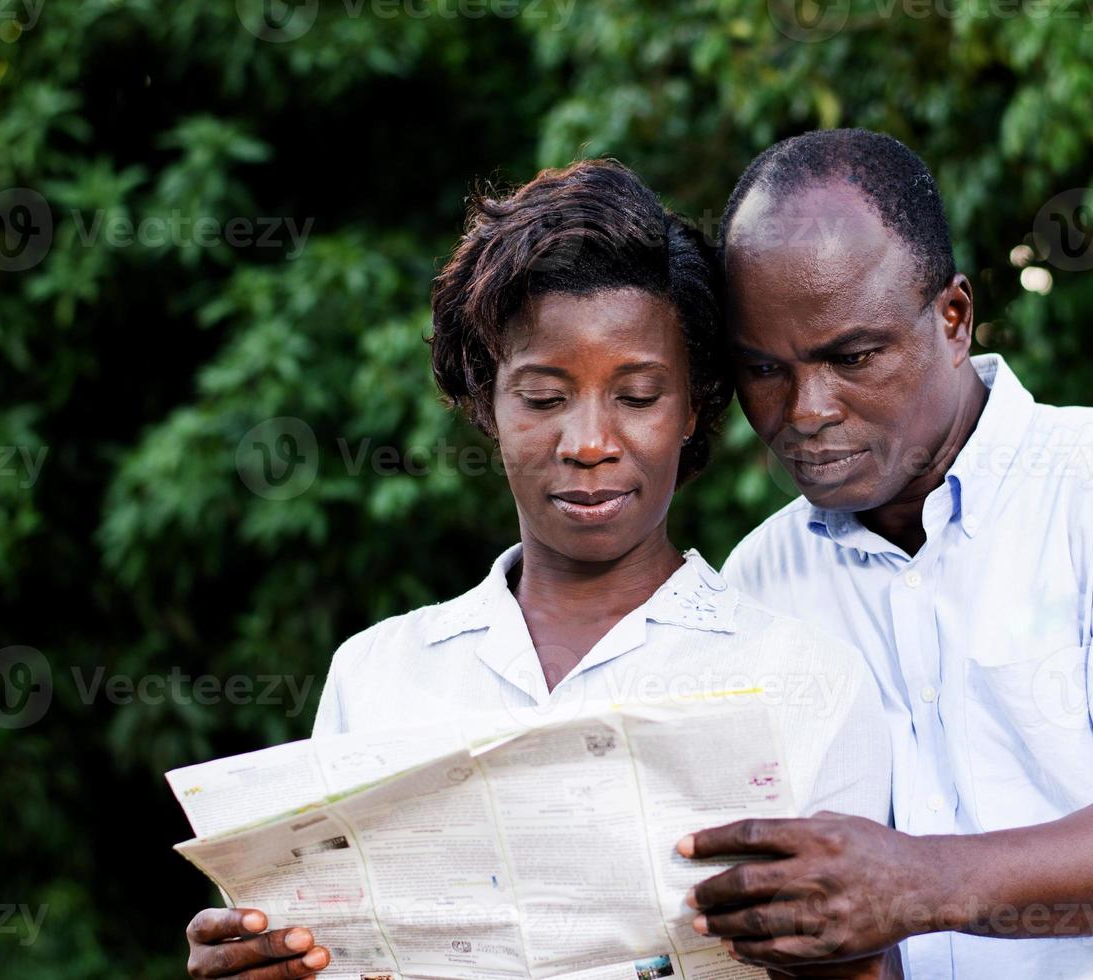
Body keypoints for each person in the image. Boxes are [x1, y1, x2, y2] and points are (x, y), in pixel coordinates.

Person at [183, 159, 894, 980]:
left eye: (637, 395)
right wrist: (257, 963)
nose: (588, 442)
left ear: (694, 404)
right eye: (545, 397)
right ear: (487, 401)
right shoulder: (378, 675)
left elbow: (862, 967)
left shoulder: (805, 679)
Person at [677, 128, 1093, 978]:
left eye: (852, 357)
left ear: (953, 317)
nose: (805, 409)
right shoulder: (759, 586)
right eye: (763, 369)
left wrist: (915, 881)